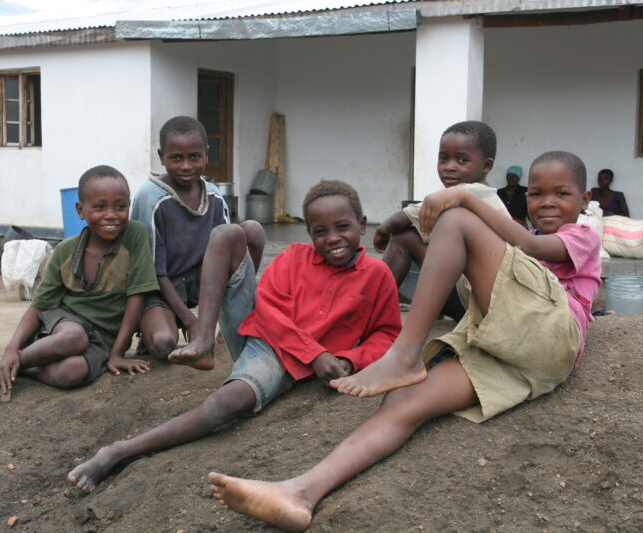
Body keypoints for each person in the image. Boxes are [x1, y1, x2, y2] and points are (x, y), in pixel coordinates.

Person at [208, 151, 601, 533]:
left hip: (552, 335)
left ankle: (406, 353)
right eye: (536, 194)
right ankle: (301, 493)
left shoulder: (583, 234)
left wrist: (463, 195)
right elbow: (508, 250)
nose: (546, 202)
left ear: (584, 200)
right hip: (513, 347)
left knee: (458, 220)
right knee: (403, 401)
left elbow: (529, 248)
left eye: (561, 194)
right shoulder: (522, 238)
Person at [67, 180, 402, 493]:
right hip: (267, 344)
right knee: (227, 234)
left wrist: (349, 358)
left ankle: (121, 449)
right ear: (308, 233)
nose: (332, 238)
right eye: (320, 231)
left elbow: (386, 332)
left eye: (342, 227)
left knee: (231, 404)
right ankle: (120, 450)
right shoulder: (292, 259)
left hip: (310, 363)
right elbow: (268, 310)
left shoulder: (377, 275)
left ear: (362, 223)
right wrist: (314, 352)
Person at [0, 165, 158, 401]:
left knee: (73, 373)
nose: (111, 215)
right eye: (99, 207)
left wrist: (117, 353)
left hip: (103, 338)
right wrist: (11, 348)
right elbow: (39, 307)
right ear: (80, 210)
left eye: (121, 206)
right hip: (67, 324)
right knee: (74, 337)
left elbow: (136, 298)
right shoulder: (65, 251)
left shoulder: (134, 235)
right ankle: (1, 367)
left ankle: (15, 367)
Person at [130, 116, 264, 364]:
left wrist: (206, 321)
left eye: (194, 157)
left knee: (252, 230)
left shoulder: (213, 195)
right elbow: (152, 272)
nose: (186, 166)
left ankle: (237, 315)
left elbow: (229, 252)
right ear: (161, 156)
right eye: (175, 158)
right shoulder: (149, 198)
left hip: (202, 286)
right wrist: (192, 321)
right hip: (161, 289)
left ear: (206, 154)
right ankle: (156, 328)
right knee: (162, 344)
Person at [374, 120, 509, 321]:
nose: (449, 167)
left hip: (476, 304)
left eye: (462, 161)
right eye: (443, 159)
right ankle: (434, 311)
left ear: (486, 165)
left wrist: (382, 232)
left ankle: (371, 310)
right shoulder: (489, 196)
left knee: (405, 238)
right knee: (435, 240)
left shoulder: (469, 192)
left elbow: (399, 220)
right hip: (483, 303)